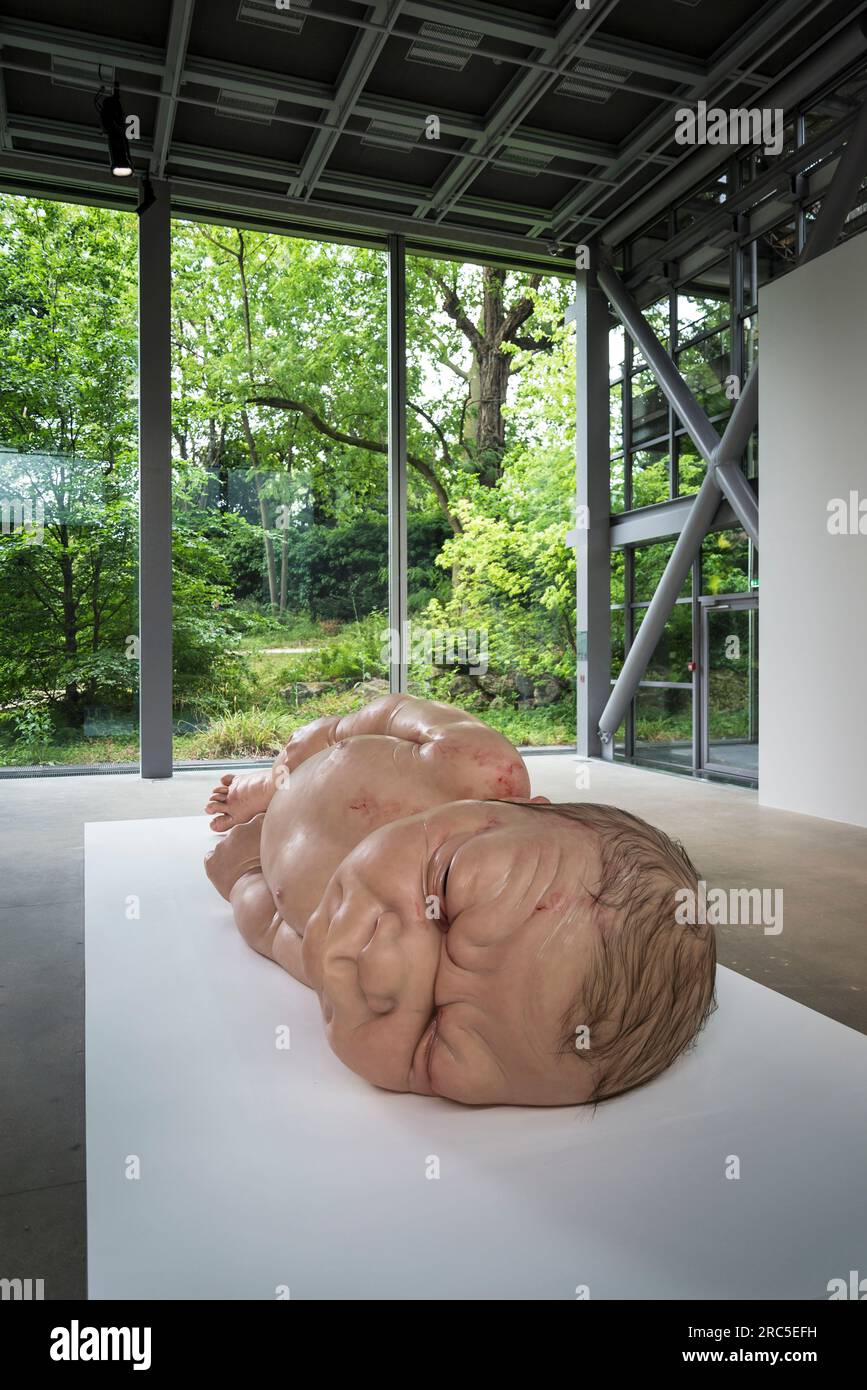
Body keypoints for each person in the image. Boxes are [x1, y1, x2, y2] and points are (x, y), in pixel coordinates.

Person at [204, 694, 715, 1106]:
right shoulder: (476, 768)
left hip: (277, 864)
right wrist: (332, 733)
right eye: (446, 899)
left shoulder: (326, 965)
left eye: (430, 1045)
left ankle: (257, 832)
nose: (379, 969)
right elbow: (393, 713)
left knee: (263, 861)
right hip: (317, 772)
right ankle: (262, 792)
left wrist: (243, 879)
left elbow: (271, 930)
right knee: (282, 776)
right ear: (513, 806)